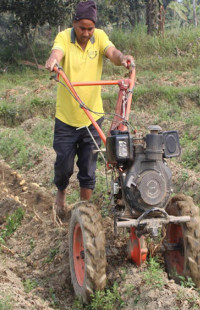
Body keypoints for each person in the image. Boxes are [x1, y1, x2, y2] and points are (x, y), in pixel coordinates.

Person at [45, 0, 134, 216]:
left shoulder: (100, 37)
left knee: (88, 168)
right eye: (82, 28)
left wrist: (123, 59)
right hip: (67, 118)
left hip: (92, 118)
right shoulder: (64, 37)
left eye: (90, 28)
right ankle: (61, 193)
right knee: (64, 166)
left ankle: (83, 211)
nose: (86, 33)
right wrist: (53, 60)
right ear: (74, 23)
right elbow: (57, 52)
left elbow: (112, 53)